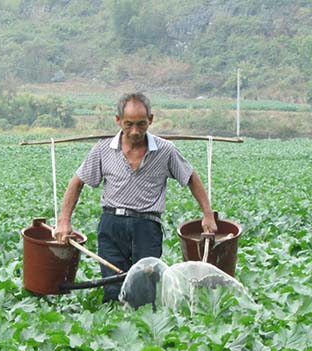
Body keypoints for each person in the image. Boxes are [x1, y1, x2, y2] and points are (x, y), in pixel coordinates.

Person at [54, 92, 217, 302]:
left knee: (145, 290)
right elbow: (77, 182)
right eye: (128, 124)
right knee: (113, 288)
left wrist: (208, 215)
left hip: (147, 227)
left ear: (151, 120)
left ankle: (145, 330)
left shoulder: (165, 150)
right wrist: (64, 220)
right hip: (112, 225)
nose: (134, 131)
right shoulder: (103, 150)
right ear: (118, 120)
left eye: (141, 124)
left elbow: (191, 178)